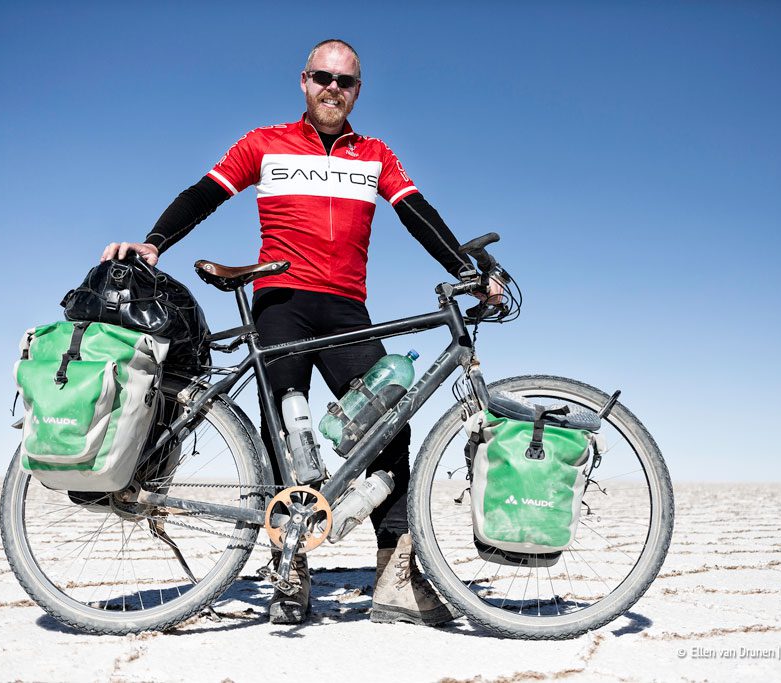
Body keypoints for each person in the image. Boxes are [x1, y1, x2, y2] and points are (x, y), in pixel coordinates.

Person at [101, 38, 499, 627]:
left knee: (391, 426)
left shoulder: (376, 155)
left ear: (358, 90)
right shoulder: (265, 143)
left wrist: (468, 269)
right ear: (304, 82)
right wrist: (154, 242)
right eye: (322, 77)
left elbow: (418, 215)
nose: (332, 88)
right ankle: (289, 568)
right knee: (283, 436)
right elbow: (204, 194)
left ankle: (394, 576)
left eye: (345, 81)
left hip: (346, 309)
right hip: (280, 301)